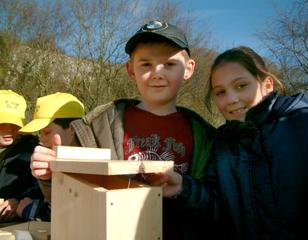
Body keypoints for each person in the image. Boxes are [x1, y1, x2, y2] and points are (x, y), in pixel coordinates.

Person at [30, 20, 216, 239]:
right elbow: (69, 201)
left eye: (169, 64)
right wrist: (49, 176)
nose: (157, 73)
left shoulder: (207, 136)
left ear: (189, 69)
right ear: (130, 70)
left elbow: (217, 208)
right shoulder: (97, 127)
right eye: (146, 64)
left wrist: (185, 189)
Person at [209, 46, 308, 239]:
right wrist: (183, 189)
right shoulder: (221, 145)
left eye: (241, 86)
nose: (231, 99)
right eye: (220, 92)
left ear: (267, 84)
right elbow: (216, 211)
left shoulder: (306, 125)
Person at [17, 92, 85, 221]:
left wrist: (31, 210)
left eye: (47, 132)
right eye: (39, 133)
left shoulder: (95, 162)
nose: (41, 139)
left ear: (72, 129)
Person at [0, 90, 43, 223]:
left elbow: (44, 188)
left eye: (15, 124)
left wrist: (17, 200)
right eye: (2, 123)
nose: (9, 129)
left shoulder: (34, 149)